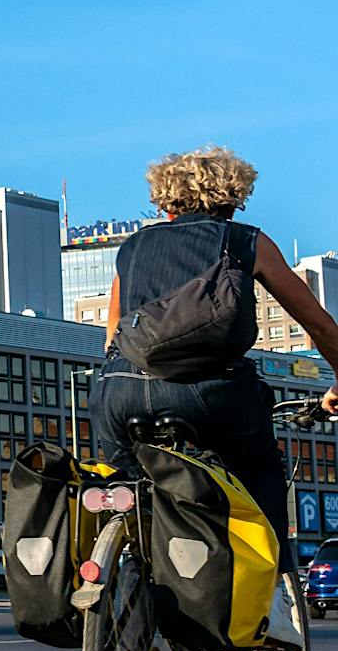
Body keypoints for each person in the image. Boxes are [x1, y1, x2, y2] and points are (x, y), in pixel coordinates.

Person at [90, 146, 338, 557]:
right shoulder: (245, 241)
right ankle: (275, 592)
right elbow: (318, 324)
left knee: (129, 491)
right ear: (233, 199)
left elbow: (112, 334)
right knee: (259, 472)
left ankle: (127, 569)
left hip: (118, 391)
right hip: (211, 392)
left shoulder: (132, 247)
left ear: (165, 200)